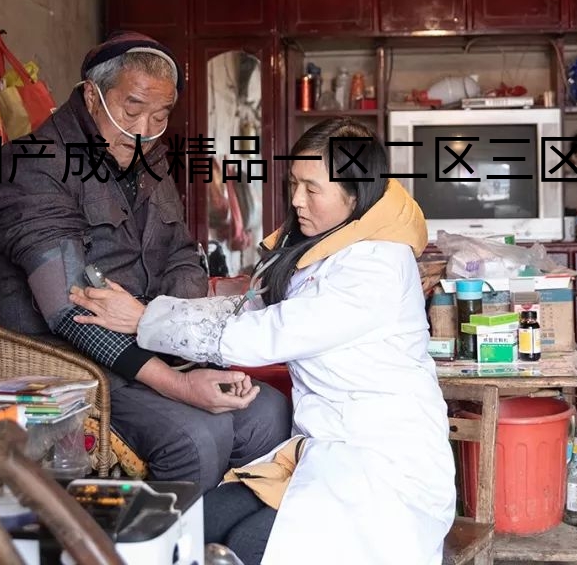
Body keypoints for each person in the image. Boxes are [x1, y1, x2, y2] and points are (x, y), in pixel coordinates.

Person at [69, 117, 456, 565]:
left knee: (246, 547)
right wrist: (152, 312)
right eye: (294, 183)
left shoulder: (376, 266)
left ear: (355, 194)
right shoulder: (330, 244)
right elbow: (250, 310)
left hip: (381, 466)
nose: (296, 200)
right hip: (325, 451)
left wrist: (142, 319)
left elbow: (265, 334)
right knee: (196, 527)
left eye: (313, 189)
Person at [0, 32, 291, 492]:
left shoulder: (150, 160)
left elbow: (181, 252)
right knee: (197, 438)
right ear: (91, 97)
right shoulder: (29, 167)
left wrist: (169, 330)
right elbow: (71, 311)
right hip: (70, 366)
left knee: (268, 412)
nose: (144, 130)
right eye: (132, 110)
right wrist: (179, 385)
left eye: (159, 116)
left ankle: (217, 546)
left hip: (149, 348)